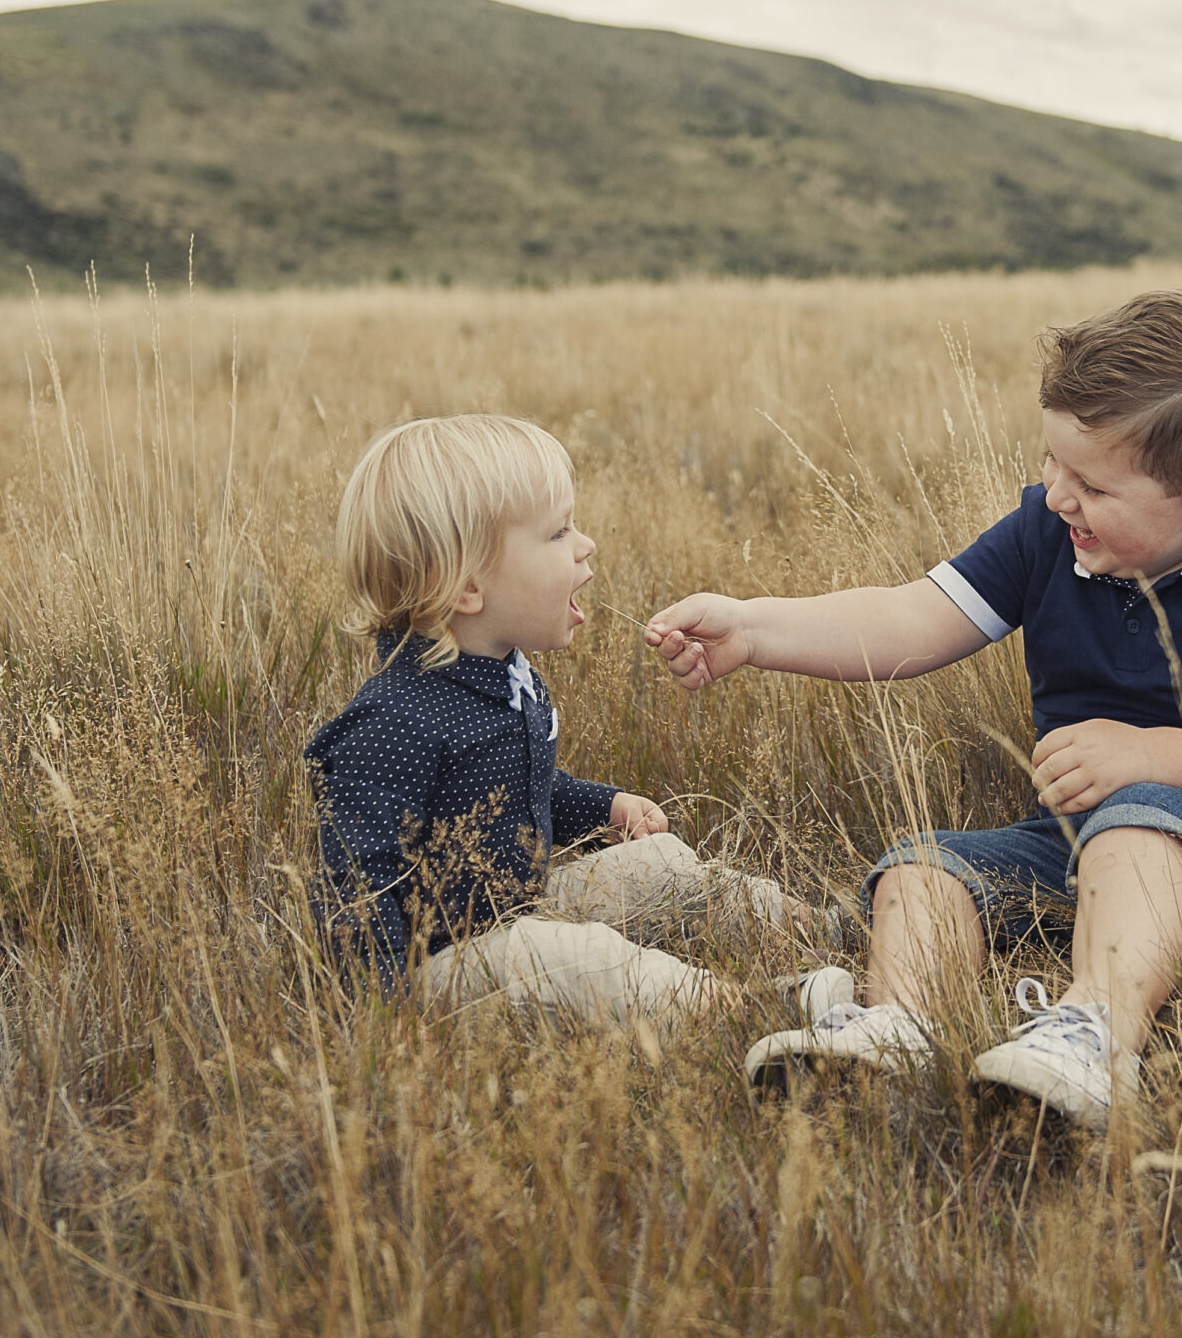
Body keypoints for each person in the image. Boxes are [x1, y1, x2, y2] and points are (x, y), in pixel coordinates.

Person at [644, 291, 1182, 1128]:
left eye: (1091, 482)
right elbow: (911, 618)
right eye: (1053, 462)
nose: (1057, 493)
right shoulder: (1051, 533)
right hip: (1068, 842)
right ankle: (899, 1030)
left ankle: (1094, 1037)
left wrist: (1145, 755)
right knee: (922, 867)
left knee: (1139, 823)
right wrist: (755, 627)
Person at [307, 414, 845, 1029]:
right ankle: (753, 1014)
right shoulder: (392, 722)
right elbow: (355, 880)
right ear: (466, 586)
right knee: (575, 958)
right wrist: (385, 1013)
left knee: (659, 864)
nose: (585, 544)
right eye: (559, 532)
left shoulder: (504, 676)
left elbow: (513, 794)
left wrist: (603, 806)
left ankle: (827, 928)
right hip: (440, 971)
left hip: (519, 910)